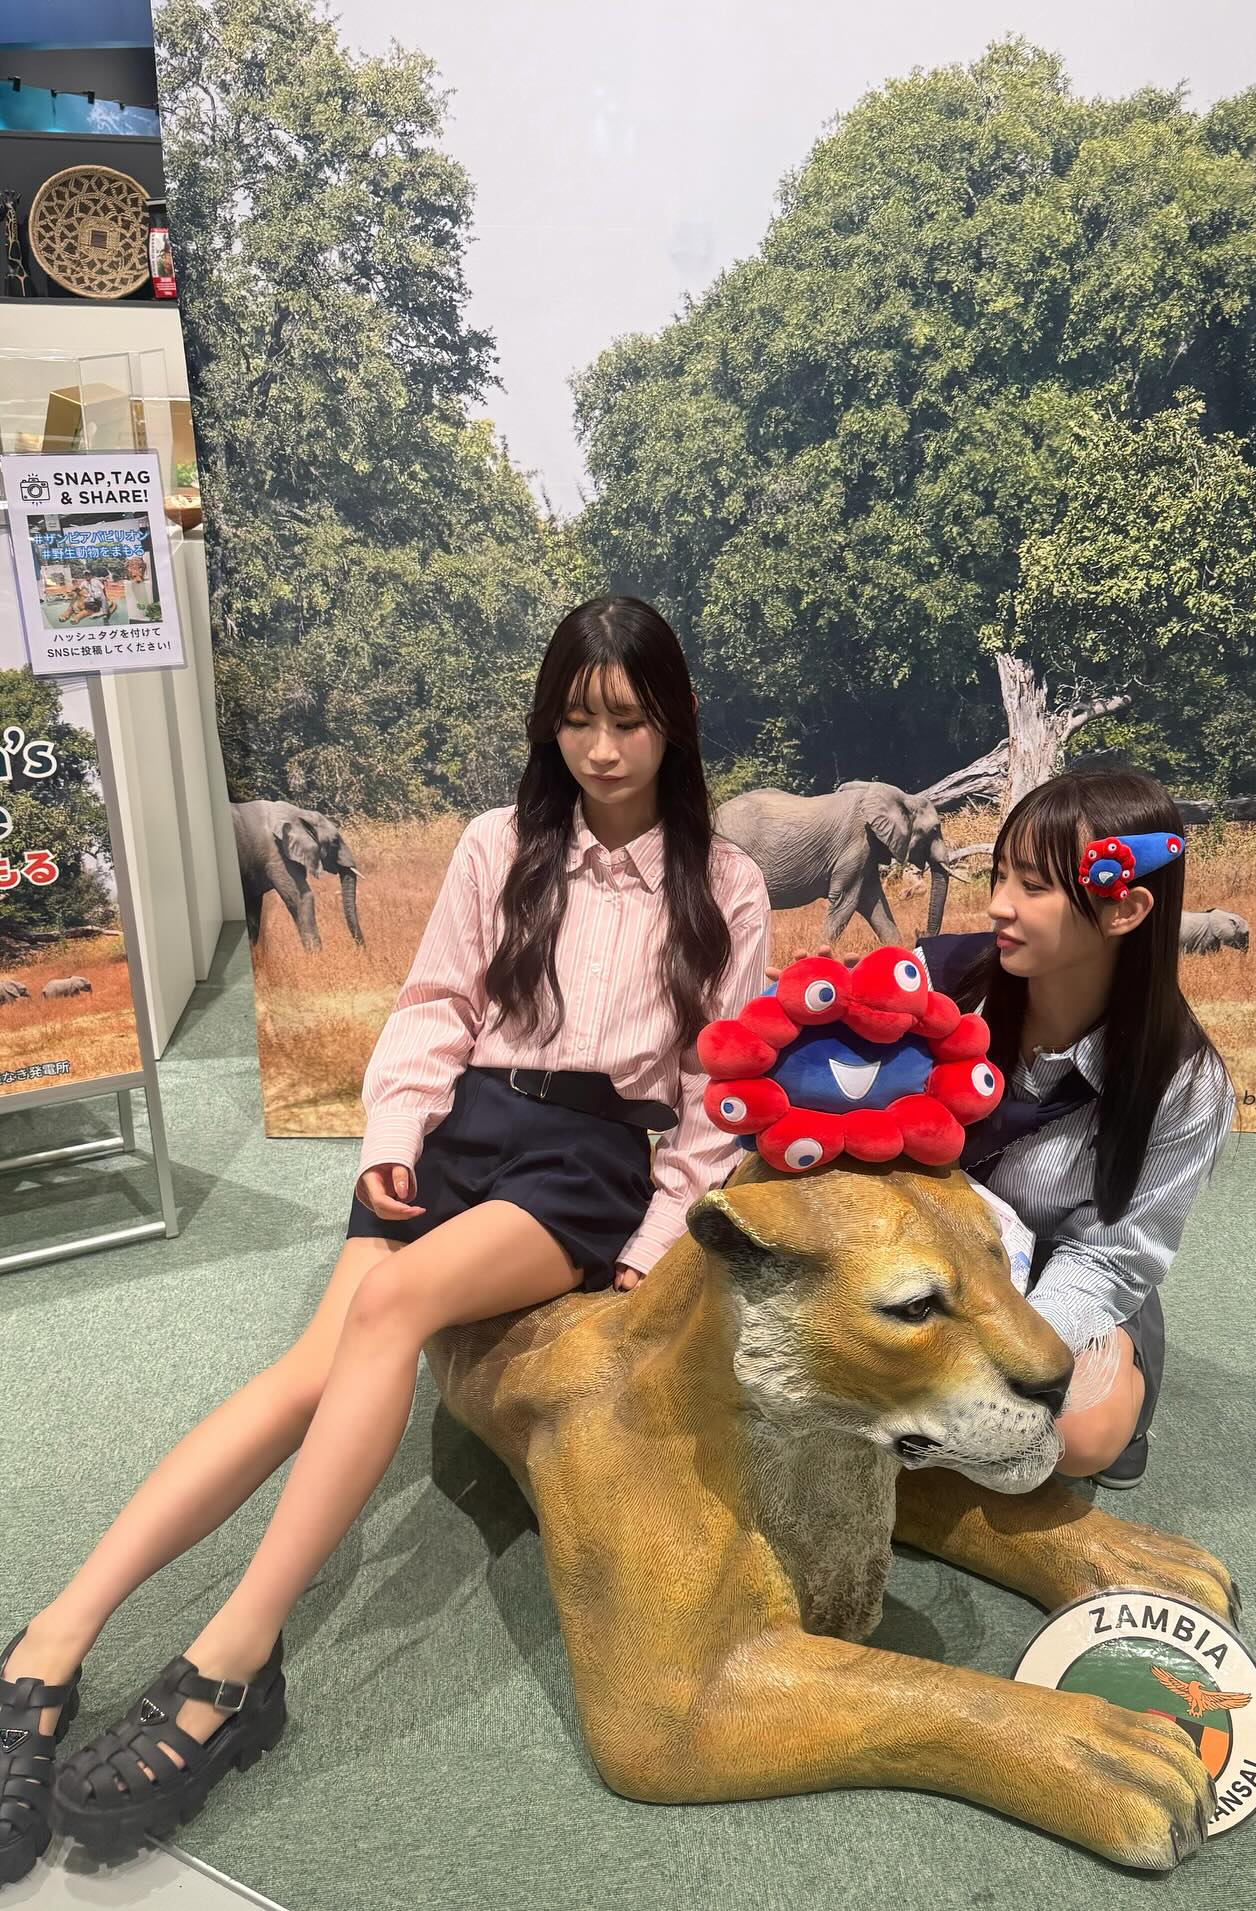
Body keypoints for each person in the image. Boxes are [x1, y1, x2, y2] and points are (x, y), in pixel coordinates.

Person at [0, 595, 770, 1880]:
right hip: (463, 1125)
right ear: (550, 723)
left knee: (389, 1308)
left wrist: (652, 1239)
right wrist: (392, 1137)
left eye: (630, 721)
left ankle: (233, 1662)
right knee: (304, 1374)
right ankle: (50, 1640)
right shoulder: (496, 845)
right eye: (578, 719)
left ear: (675, 724)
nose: (602, 749)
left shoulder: (726, 884)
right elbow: (431, 1009)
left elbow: (717, 1093)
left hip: (584, 1163)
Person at [779, 766, 1234, 1494]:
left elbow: (1113, 1255)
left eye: (1034, 885)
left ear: (1124, 908)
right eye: (999, 876)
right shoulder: (934, 982)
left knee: (1080, 1434)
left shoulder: (1182, 1082)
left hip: (1059, 1275)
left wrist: (999, 1345)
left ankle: (1119, 1392)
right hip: (918, 1250)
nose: (998, 905)